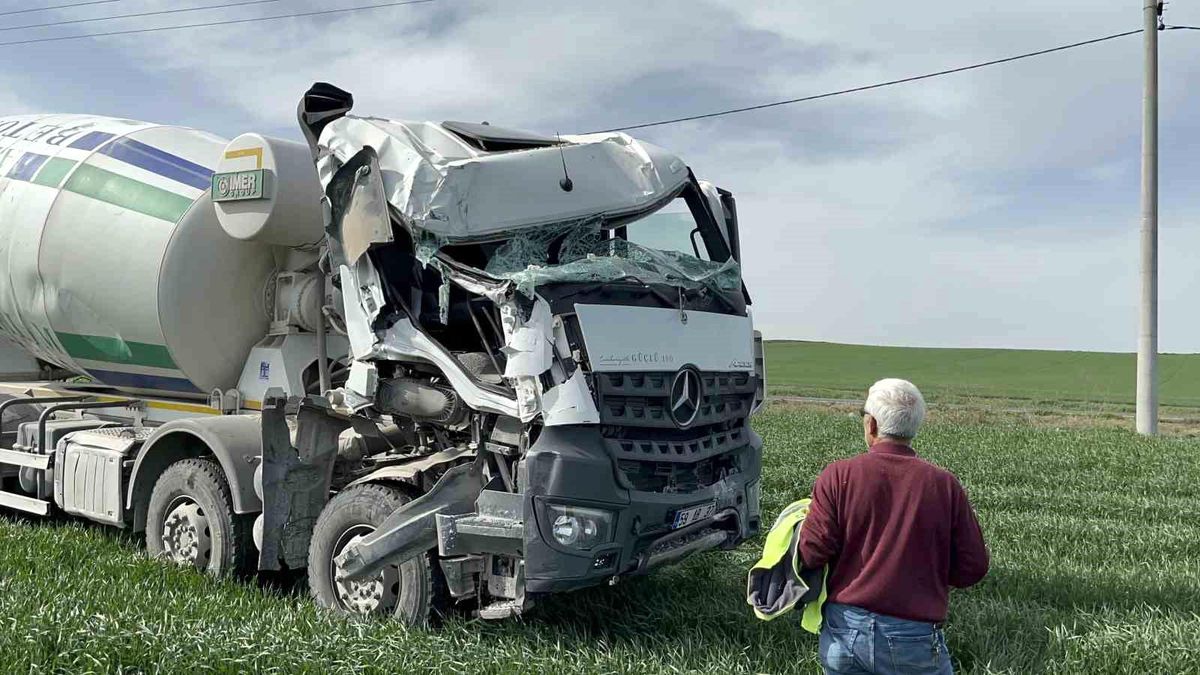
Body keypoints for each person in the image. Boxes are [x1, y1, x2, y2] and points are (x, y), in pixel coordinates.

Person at [799, 378, 989, 675]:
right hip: (914, 636)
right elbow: (974, 566)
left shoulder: (838, 475)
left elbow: (812, 552)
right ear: (914, 427)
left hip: (846, 631)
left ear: (871, 425)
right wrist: (929, 578)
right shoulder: (943, 484)